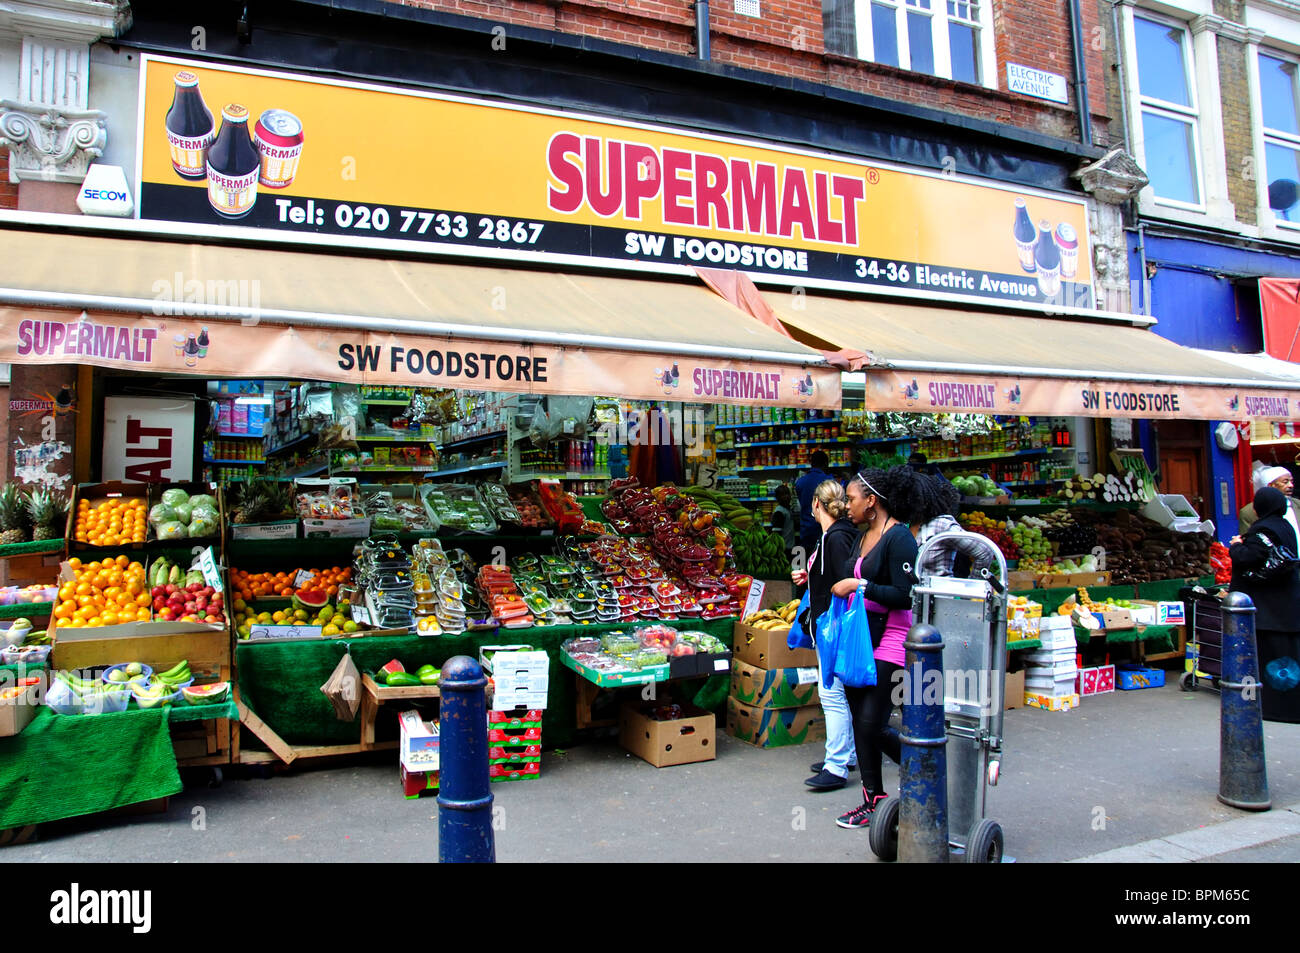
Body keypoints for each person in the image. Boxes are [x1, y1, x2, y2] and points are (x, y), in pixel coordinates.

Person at [828, 466, 920, 829]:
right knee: (860, 722)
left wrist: (858, 585)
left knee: (871, 724)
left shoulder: (899, 539)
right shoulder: (860, 535)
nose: (846, 505)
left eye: (851, 499)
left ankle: (924, 766)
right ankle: (873, 799)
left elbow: (905, 594)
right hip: (858, 641)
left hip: (891, 641)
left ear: (872, 500)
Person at [790, 480, 860, 791]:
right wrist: (809, 576)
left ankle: (836, 766)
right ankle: (846, 755)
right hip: (830, 623)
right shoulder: (833, 536)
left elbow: (845, 581)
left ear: (817, 504)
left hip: (833, 626)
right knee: (840, 694)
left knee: (831, 694)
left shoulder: (836, 538)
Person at [1230, 486, 1300, 723]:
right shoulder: (1286, 526)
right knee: (1287, 660)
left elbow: (1250, 556)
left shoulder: (1263, 529)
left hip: (1269, 611)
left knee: (1268, 660)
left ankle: (1274, 709)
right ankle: (1290, 705)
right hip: (1286, 609)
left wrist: (1236, 546)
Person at [909, 474, 994, 578]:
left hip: (937, 592)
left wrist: (974, 584)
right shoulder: (903, 525)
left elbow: (984, 552)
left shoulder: (940, 525)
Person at [1239, 465, 1300, 539]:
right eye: (1285, 482)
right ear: (1270, 485)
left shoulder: (1298, 504)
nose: (1291, 485)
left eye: (1291, 481)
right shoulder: (1248, 512)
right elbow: (1247, 542)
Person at [794, 450, 831, 570]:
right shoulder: (829, 481)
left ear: (811, 463)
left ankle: (805, 587)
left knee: (806, 567)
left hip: (806, 531)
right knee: (823, 567)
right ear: (826, 463)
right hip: (824, 531)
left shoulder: (800, 482)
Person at [770, 484, 798, 552]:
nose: (786, 496)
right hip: (784, 548)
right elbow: (776, 533)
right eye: (782, 495)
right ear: (777, 498)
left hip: (791, 546)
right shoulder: (779, 512)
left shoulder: (788, 509)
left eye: (787, 494)